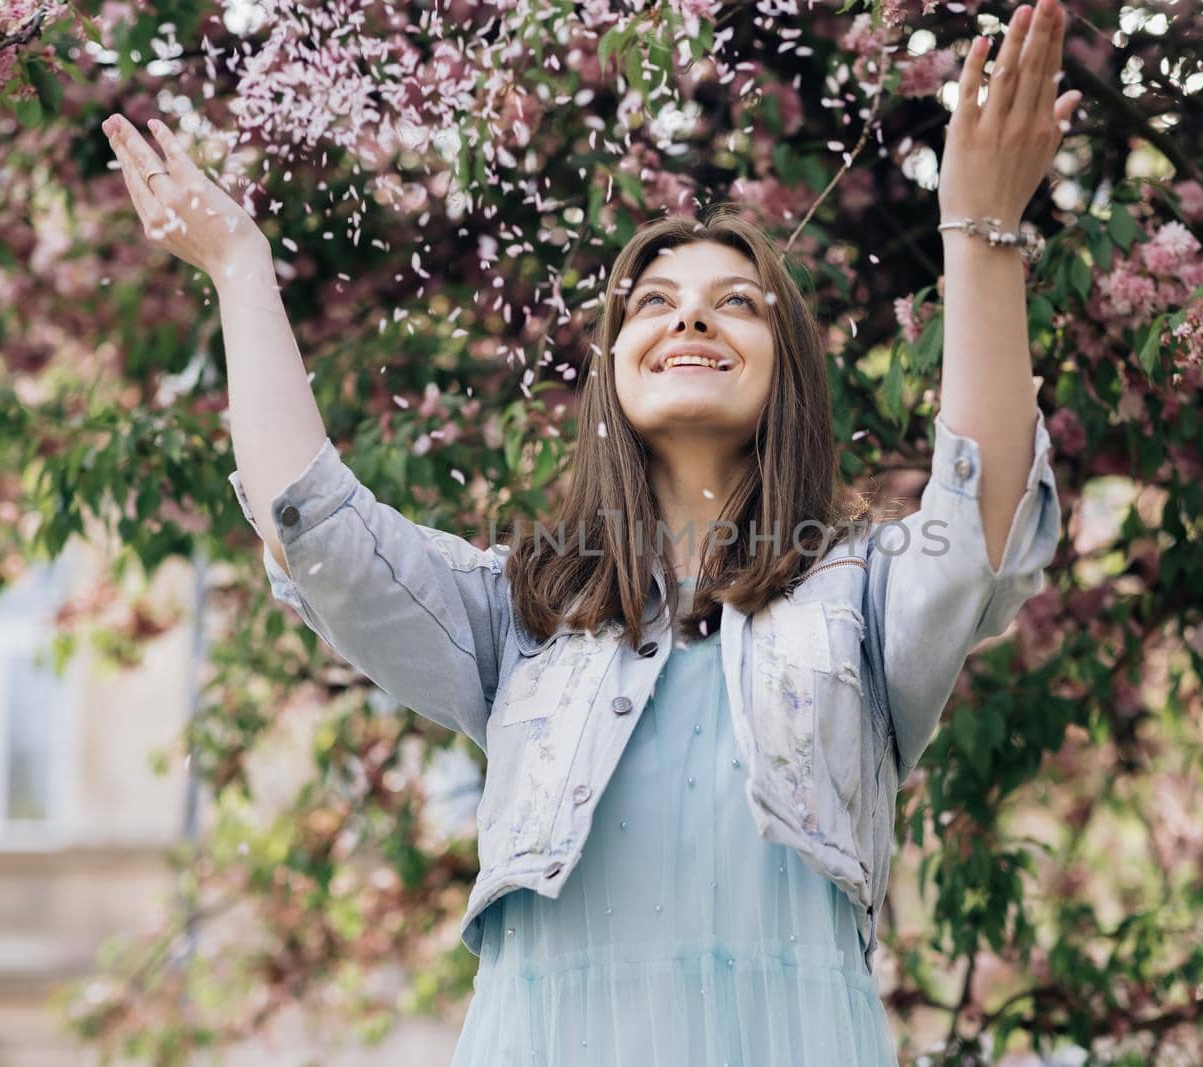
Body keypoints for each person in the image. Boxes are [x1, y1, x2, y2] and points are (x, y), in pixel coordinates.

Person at [103, 2, 1079, 1062]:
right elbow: (320, 532)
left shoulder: (864, 593)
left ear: (783, 369)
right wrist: (240, 266)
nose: (690, 318)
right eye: (651, 301)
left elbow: (976, 509)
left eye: (735, 303)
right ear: (612, 371)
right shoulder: (516, 613)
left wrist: (978, 229)